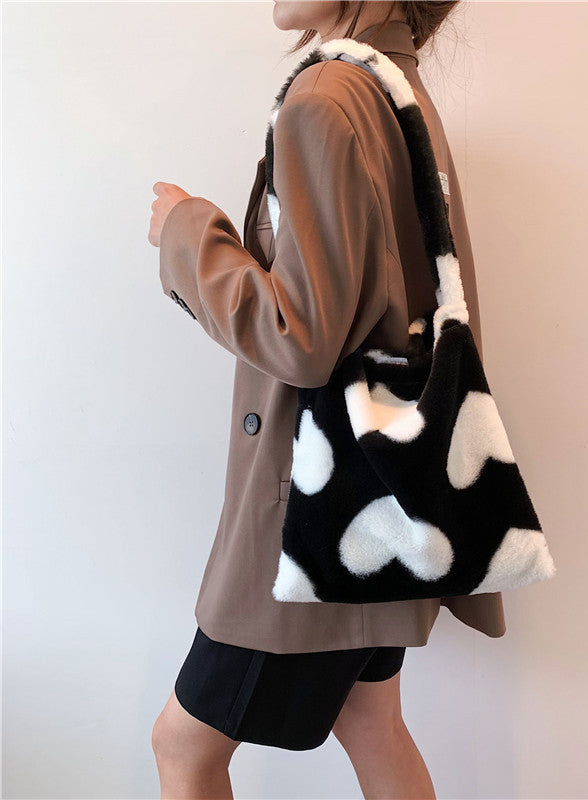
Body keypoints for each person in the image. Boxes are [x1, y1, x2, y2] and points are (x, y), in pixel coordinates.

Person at [148, 2, 506, 797]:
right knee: (372, 725)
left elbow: (298, 337)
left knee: (183, 747)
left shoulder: (329, 97)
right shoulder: (396, 87)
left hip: (313, 520)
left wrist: (187, 235)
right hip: (386, 497)